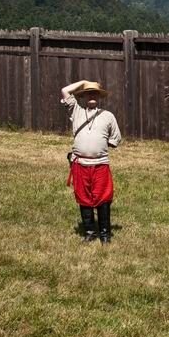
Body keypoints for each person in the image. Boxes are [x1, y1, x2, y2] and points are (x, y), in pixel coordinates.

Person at [61, 80, 122, 244]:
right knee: (83, 197)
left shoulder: (108, 116)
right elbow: (65, 90)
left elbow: (115, 138)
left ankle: (105, 235)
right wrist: (83, 82)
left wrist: (97, 146)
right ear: (84, 96)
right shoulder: (76, 111)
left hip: (100, 164)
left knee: (103, 198)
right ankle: (89, 233)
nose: (92, 95)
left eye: (95, 93)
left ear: (99, 96)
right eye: (88, 93)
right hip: (80, 165)